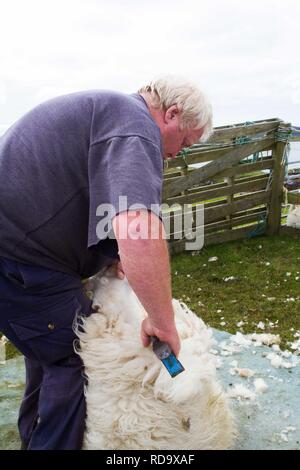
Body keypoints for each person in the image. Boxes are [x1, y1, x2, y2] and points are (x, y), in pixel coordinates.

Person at [0, 76, 213, 450]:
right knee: (76, 359)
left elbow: (88, 199)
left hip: (19, 255)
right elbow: (137, 224)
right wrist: (162, 322)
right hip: (22, 264)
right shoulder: (136, 128)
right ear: (173, 114)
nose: (179, 153)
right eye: (185, 142)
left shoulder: (109, 114)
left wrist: (114, 254)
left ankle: (33, 438)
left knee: (47, 349)